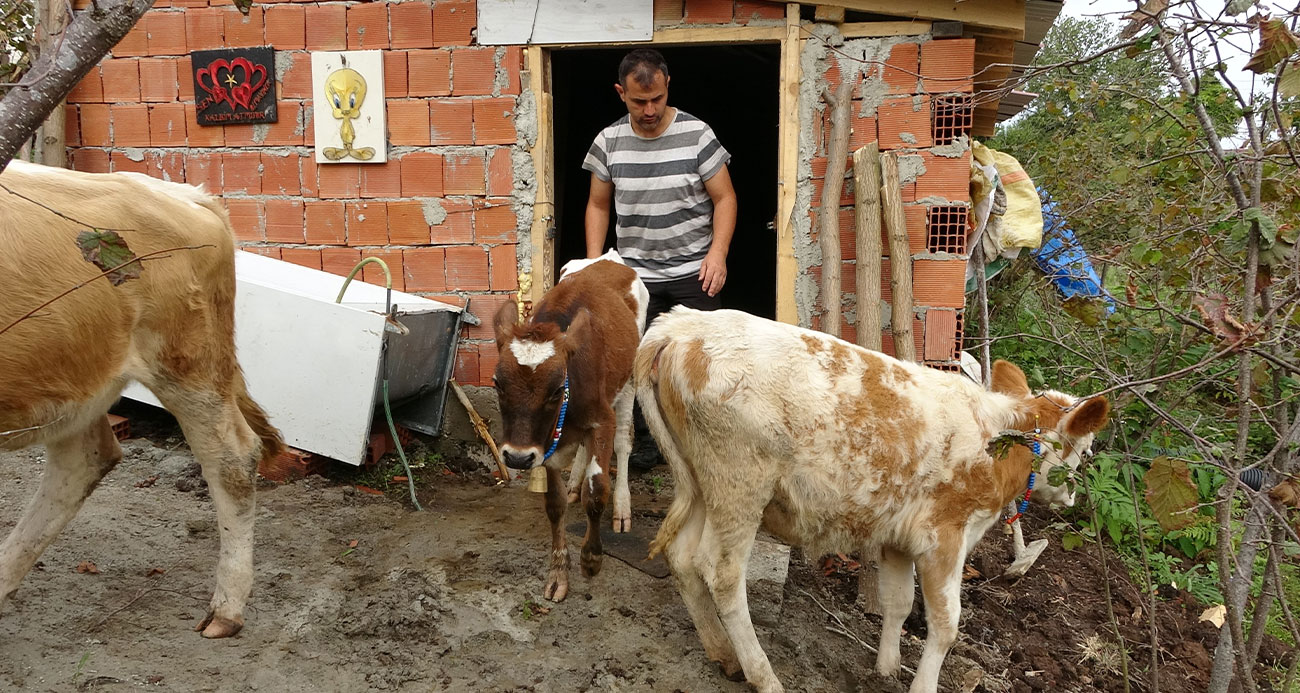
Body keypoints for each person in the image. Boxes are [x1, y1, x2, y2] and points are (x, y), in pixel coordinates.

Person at [582, 48, 738, 326]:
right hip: (635, 278)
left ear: (667, 84)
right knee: (637, 353)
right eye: (639, 102)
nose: (650, 110)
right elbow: (598, 205)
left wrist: (718, 253)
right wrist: (594, 264)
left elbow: (725, 198)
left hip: (696, 274)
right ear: (621, 92)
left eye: (657, 98)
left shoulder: (698, 134)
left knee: (697, 353)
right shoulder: (607, 141)